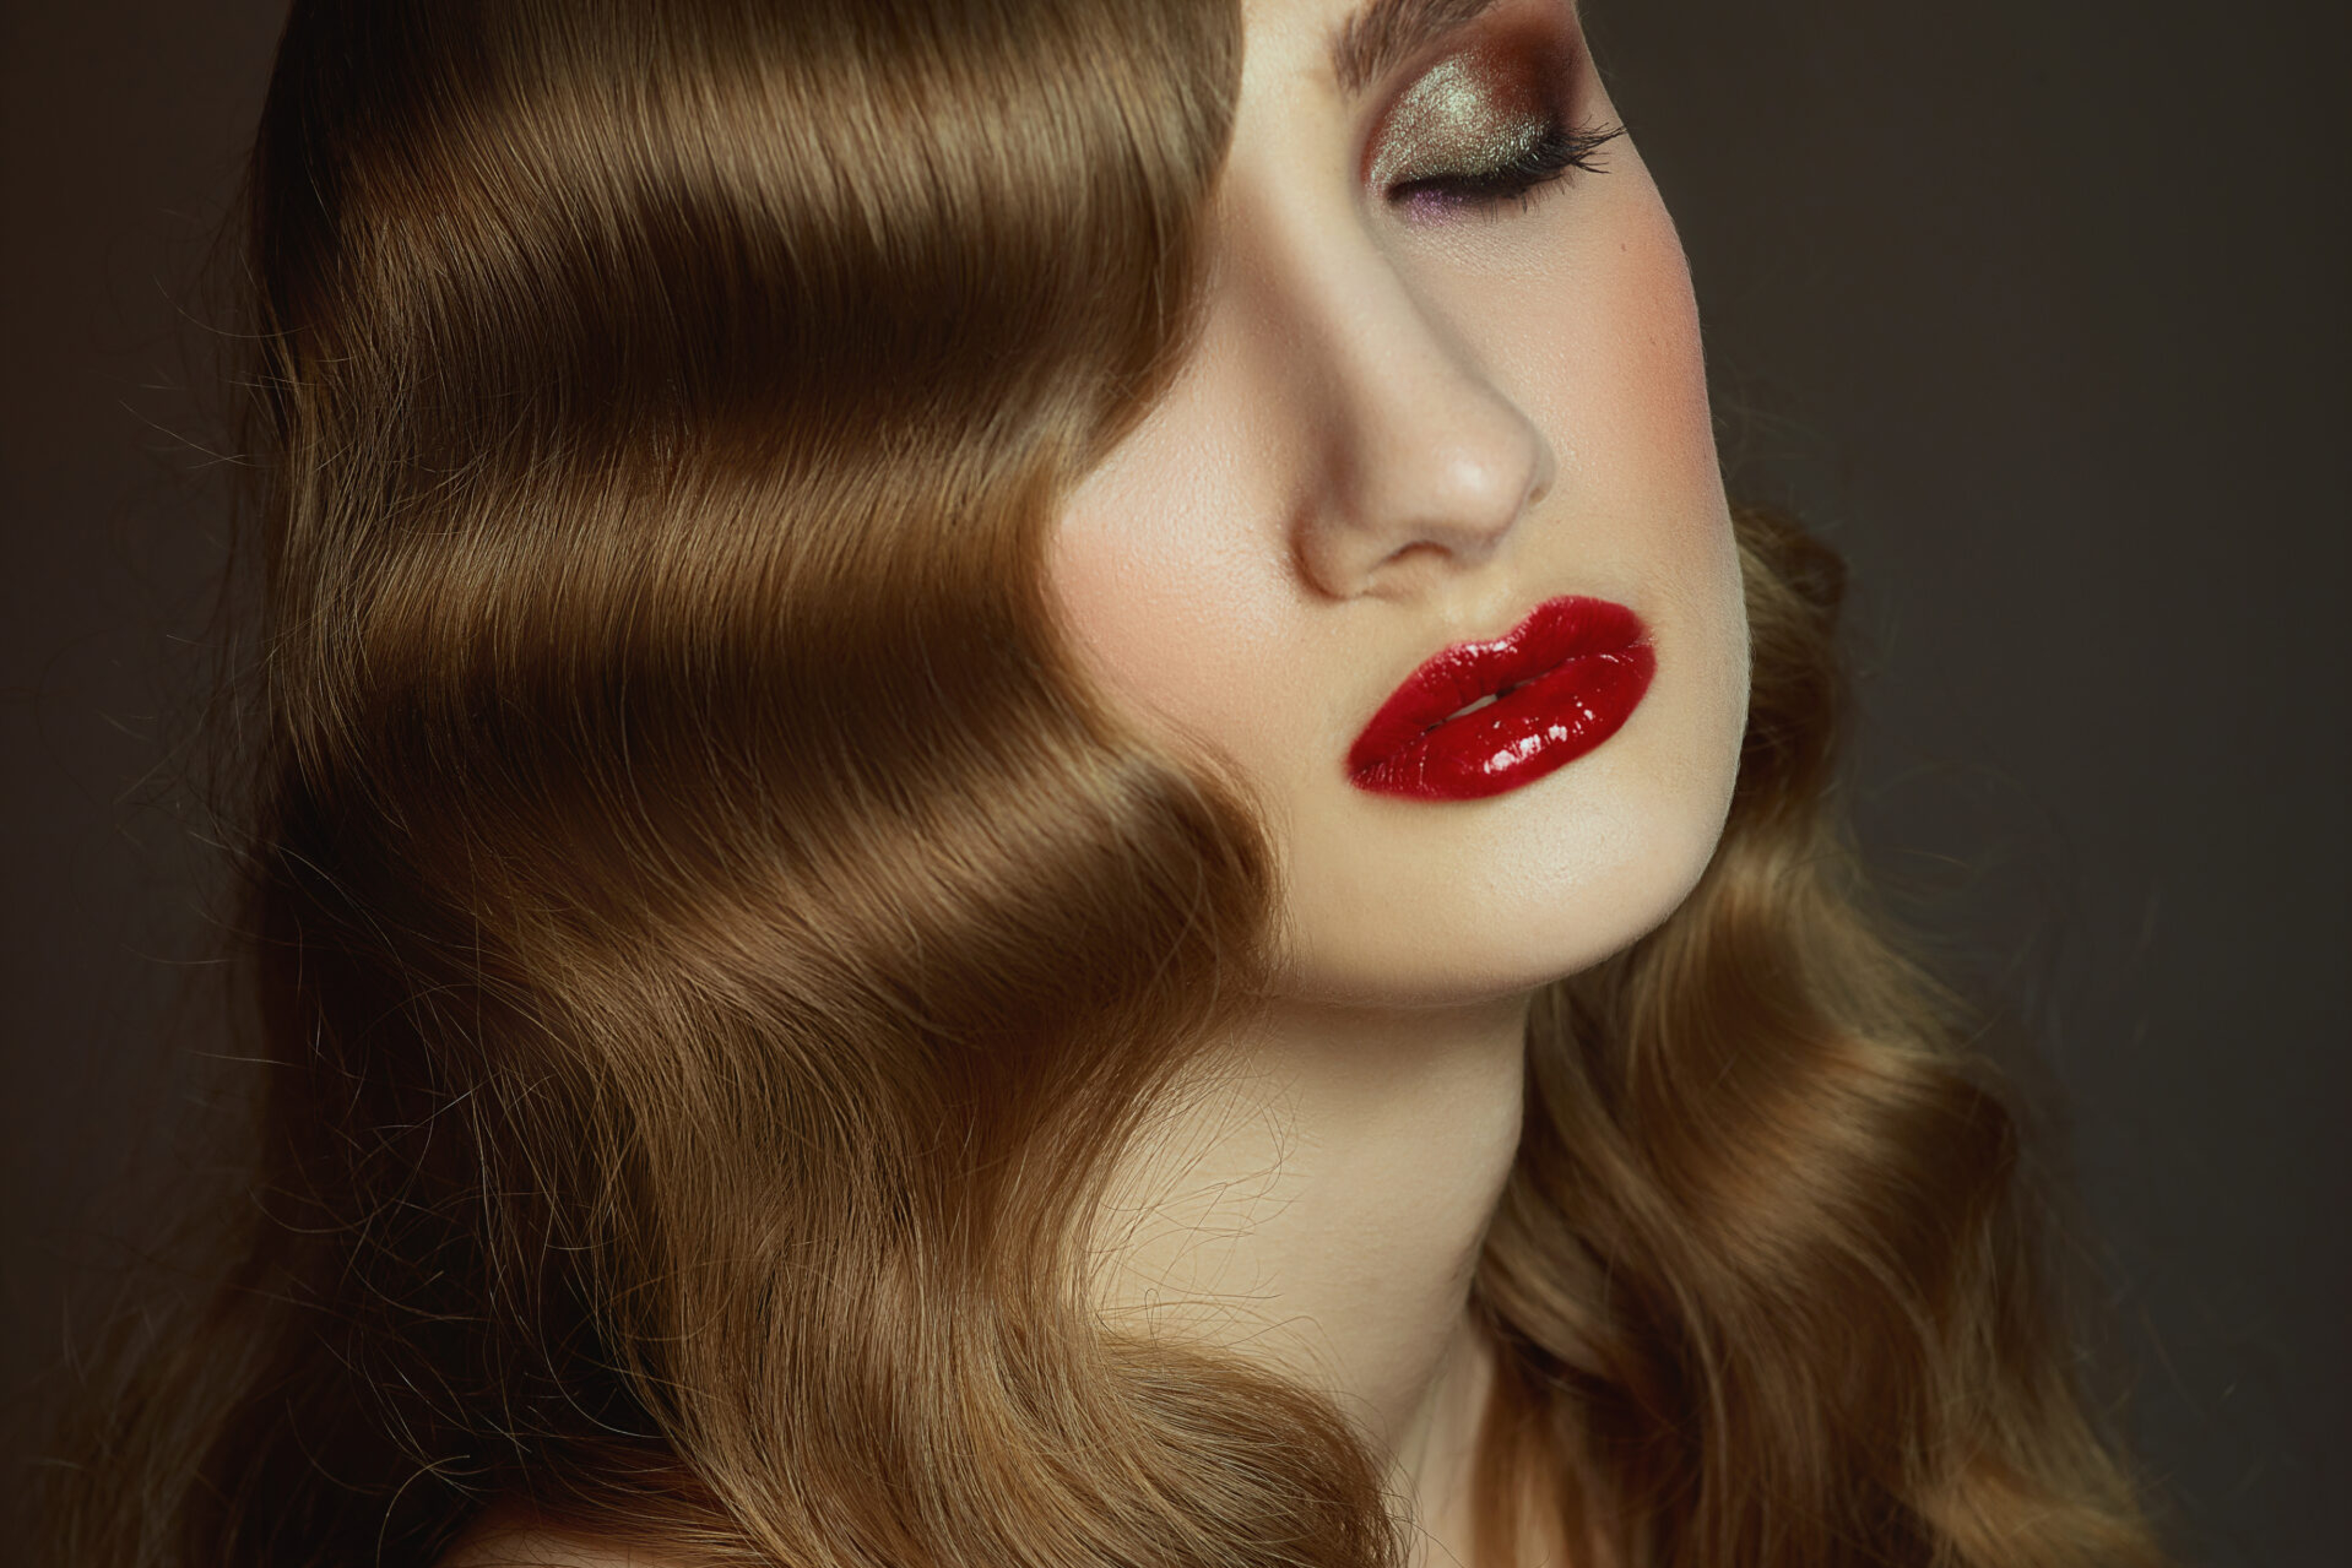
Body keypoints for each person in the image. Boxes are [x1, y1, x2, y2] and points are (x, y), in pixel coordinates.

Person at [41, 0, 2167, 1564]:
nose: (1448, 462)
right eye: (1100, 331)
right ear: (705, 602)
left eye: (1472, 151)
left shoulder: (1759, 1390)